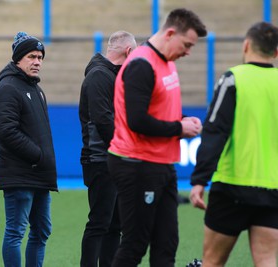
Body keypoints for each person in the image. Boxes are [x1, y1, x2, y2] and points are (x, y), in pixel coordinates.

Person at [107, 8, 207, 266]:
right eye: (187, 44)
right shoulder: (141, 64)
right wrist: (178, 129)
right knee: (134, 245)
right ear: (171, 33)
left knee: (167, 244)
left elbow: (160, 108)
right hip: (136, 164)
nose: (188, 51)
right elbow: (137, 120)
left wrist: (182, 119)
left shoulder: (167, 61)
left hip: (161, 163)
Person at [190, 21, 278, 267]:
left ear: (246, 45)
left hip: (232, 185)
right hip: (272, 188)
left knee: (213, 262)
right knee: (267, 261)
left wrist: (199, 180)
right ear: (276, 52)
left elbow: (215, 131)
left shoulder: (233, 78)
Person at [0, 31, 58, 267]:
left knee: (41, 231)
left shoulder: (36, 89)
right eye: (31, 56)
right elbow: (7, 132)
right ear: (18, 58)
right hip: (20, 174)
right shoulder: (8, 88)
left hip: (39, 174)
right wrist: (38, 155)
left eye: (40, 57)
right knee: (15, 232)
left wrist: (43, 162)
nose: (37, 62)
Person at [79, 31, 137, 267]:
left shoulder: (110, 77)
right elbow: (103, 121)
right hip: (101, 160)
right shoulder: (99, 76)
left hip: (111, 158)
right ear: (129, 52)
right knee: (100, 223)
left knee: (115, 225)